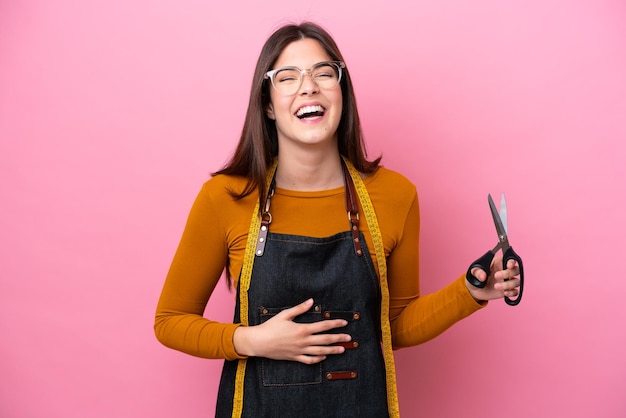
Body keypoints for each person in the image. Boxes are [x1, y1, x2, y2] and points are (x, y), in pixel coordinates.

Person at [154, 21, 521, 418]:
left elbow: (391, 327)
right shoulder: (226, 198)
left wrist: (471, 293)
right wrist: (254, 341)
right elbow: (169, 321)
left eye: (324, 73)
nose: (308, 86)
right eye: (288, 77)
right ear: (267, 105)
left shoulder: (396, 196)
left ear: (341, 92)